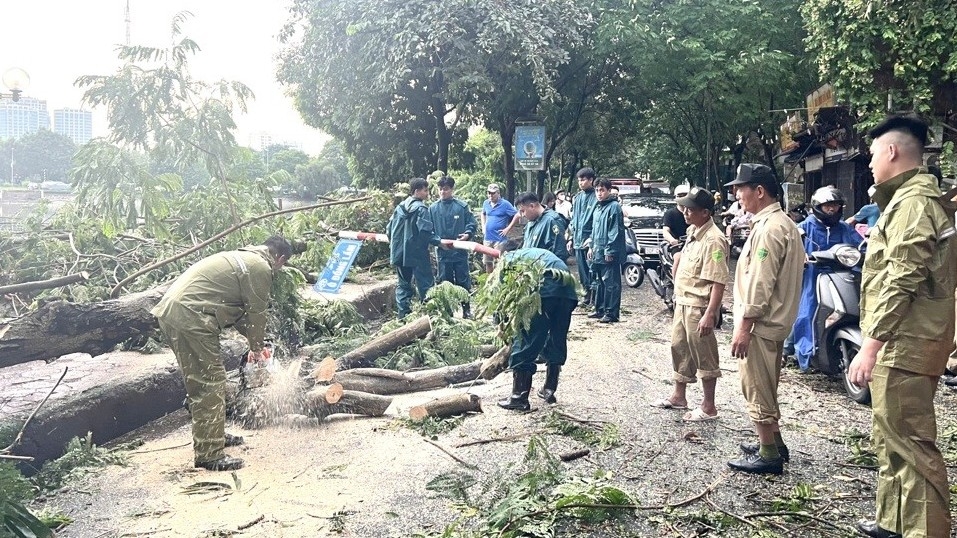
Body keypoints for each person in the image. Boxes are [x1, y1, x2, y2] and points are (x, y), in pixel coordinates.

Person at [847, 115, 956, 538]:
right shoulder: (906, 200)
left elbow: (902, 278)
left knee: (911, 445)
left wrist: (871, 345)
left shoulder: (914, 203)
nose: (871, 164)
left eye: (873, 154)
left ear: (891, 151)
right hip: (903, 339)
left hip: (906, 342)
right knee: (890, 437)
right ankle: (894, 522)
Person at [151, 236, 293, 471]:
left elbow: (238, 314)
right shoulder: (260, 267)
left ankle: (213, 433)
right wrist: (257, 349)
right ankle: (209, 454)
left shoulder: (241, 258)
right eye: (283, 265)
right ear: (279, 259)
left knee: (204, 379)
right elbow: (257, 313)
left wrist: (255, 344)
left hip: (174, 313)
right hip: (192, 318)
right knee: (210, 382)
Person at [725, 163, 804, 475]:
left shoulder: (771, 229)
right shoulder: (779, 224)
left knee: (756, 386)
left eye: (741, 188)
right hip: (773, 322)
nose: (737, 194)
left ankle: (769, 454)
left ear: (759, 191)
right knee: (767, 384)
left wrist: (744, 326)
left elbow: (761, 282)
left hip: (760, 324)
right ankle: (773, 441)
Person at [651, 187, 729, 421]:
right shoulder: (694, 231)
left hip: (699, 306)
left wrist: (711, 313)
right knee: (679, 348)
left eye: (690, 209)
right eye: (684, 207)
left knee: (704, 355)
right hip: (683, 301)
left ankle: (709, 406)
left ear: (705, 212)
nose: (685, 212)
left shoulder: (714, 240)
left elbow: (718, 281)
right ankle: (679, 396)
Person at [495, 247, 578, 410]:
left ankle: (519, 397)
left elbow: (503, 296)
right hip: (568, 292)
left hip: (544, 291)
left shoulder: (508, 259)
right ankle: (549, 389)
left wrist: (502, 321)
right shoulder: (533, 253)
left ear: (502, 255)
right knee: (557, 337)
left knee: (526, 338)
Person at [790, 186, 860, 372]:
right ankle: (803, 351)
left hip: (841, 275)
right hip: (813, 276)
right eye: (828, 205)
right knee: (807, 310)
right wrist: (801, 255)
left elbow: (859, 245)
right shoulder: (806, 226)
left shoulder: (844, 227)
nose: (832, 209)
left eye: (836, 205)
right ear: (818, 207)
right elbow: (792, 244)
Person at [388, 178, 443, 318]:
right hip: (417, 254)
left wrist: (396, 246)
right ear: (417, 191)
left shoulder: (399, 208)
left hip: (399, 254)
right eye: (425, 191)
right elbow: (425, 232)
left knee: (403, 286)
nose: (427, 194)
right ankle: (430, 317)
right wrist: (439, 242)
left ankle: (403, 317)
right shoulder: (421, 209)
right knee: (426, 285)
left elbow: (389, 230)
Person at [429, 175, 478, 318]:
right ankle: (448, 312)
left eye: (446, 189)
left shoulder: (461, 207)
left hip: (460, 253)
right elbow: (428, 229)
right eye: (440, 189)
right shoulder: (433, 209)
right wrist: (437, 241)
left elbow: (472, 223)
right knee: (445, 282)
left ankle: (466, 310)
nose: (443, 192)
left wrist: (468, 234)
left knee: (463, 281)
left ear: (452, 189)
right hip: (443, 254)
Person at [587, 178, 625, 323]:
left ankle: (611, 313)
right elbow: (595, 230)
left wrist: (610, 251)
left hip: (609, 252)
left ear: (609, 191)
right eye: (597, 190)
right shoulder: (598, 207)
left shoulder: (614, 207)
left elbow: (614, 231)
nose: (599, 193)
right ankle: (600, 309)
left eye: (602, 190)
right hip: (597, 251)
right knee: (599, 282)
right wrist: (591, 246)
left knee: (611, 284)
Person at [567, 168, 599, 306]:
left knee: (592, 270)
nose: (581, 183)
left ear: (591, 180)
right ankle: (586, 296)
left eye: (583, 180)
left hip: (590, 240)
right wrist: (570, 237)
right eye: (579, 180)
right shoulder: (577, 198)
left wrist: (592, 239)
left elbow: (597, 221)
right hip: (578, 239)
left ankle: (595, 298)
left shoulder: (597, 197)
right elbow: (573, 219)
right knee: (582, 271)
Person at [480, 183, 521, 273]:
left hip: (500, 239)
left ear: (498, 193)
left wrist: (508, 228)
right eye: (489, 193)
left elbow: (517, 215)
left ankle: (498, 282)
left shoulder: (505, 204)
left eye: (493, 193)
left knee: (499, 262)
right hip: (487, 238)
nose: (490, 195)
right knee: (488, 262)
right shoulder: (486, 203)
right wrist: (483, 225)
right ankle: (488, 282)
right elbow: (482, 213)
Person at [516, 191, 568, 260]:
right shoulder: (530, 222)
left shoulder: (552, 221)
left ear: (532, 206)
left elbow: (559, 252)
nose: (522, 215)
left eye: (523, 211)